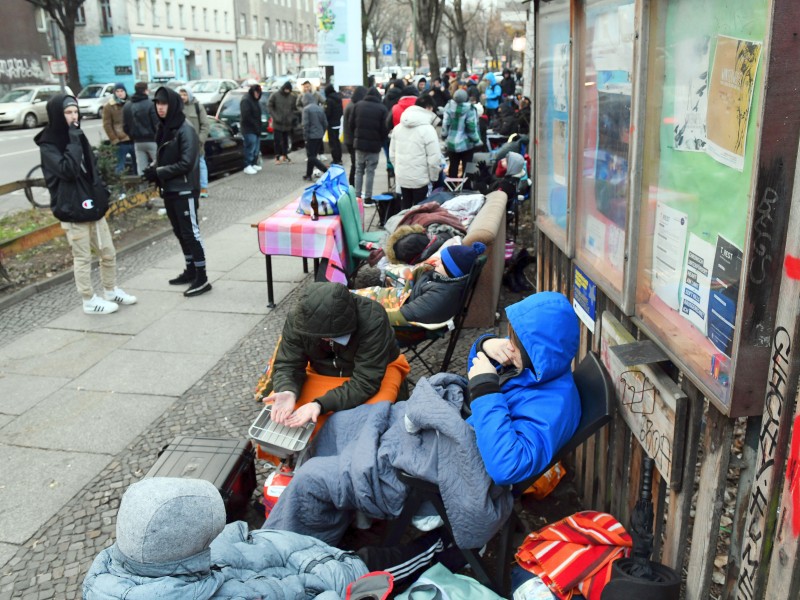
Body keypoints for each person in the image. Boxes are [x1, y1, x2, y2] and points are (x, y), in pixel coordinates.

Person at [82, 477, 450, 598]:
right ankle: (442, 550)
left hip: (289, 560)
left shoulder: (113, 573)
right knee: (374, 562)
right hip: (327, 577)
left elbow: (239, 534)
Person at [34, 94, 137, 314]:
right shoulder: (48, 145)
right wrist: (73, 138)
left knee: (107, 251)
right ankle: (88, 300)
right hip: (72, 208)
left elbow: (92, 167)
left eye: (75, 111)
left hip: (93, 204)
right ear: (57, 115)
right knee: (82, 257)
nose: (74, 117)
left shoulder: (78, 136)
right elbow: (68, 171)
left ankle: (110, 290)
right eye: (68, 113)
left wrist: (101, 191)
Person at [466, 291, 581, 485]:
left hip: (474, 465)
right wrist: (485, 347)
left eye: (514, 343)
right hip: (476, 427)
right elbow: (475, 372)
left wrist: (485, 389)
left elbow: (507, 467)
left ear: (536, 353)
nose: (509, 347)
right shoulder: (536, 366)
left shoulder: (553, 407)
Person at [265, 282, 405, 429]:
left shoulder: (373, 318)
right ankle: (290, 452)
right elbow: (287, 364)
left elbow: (366, 381)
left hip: (375, 373)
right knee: (279, 417)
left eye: (330, 337)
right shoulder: (299, 319)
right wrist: (288, 390)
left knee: (369, 420)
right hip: (321, 371)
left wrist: (320, 404)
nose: (323, 340)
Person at [144, 86, 210, 297]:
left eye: (163, 104)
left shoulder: (185, 128)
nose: (160, 108)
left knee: (191, 233)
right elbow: (164, 156)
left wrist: (159, 171)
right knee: (180, 233)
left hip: (185, 189)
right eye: (157, 104)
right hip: (171, 189)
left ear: (172, 105)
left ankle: (202, 277)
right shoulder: (165, 127)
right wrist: (154, 167)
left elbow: (187, 163)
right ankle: (190, 271)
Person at [386, 242, 486, 327]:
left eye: (441, 262)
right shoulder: (444, 280)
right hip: (405, 297)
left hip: (401, 322)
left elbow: (403, 314)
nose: (436, 263)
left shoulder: (441, 295)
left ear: (450, 271)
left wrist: (371, 316)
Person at [389, 95, 441, 210]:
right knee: (420, 212)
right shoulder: (428, 129)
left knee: (405, 210)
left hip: (402, 178)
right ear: (428, 108)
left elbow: (392, 155)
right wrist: (433, 178)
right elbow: (434, 159)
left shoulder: (398, 127)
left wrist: (399, 171)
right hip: (421, 180)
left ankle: (403, 227)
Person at [350, 87, 388, 204]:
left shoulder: (358, 105)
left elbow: (351, 124)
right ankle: (368, 197)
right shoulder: (382, 108)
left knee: (359, 170)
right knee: (370, 171)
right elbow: (384, 129)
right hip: (374, 146)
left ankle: (357, 196)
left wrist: (356, 136)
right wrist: (381, 141)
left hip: (360, 145)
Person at [177, 85, 210, 197]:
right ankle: (187, 187)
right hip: (182, 143)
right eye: (180, 94)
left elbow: (205, 124)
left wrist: (200, 139)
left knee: (200, 164)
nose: (182, 97)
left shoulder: (197, 106)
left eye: (185, 94)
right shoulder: (177, 107)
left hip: (196, 143)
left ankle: (204, 187)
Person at [442, 89, 482, 178]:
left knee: (453, 165)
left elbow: (445, 124)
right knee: (468, 166)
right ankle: (467, 186)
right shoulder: (470, 109)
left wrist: (444, 136)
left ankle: (452, 186)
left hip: (451, 142)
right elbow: (471, 128)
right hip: (466, 143)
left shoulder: (448, 106)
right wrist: (477, 141)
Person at [123, 81, 159, 176]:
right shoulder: (151, 104)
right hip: (152, 139)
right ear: (146, 90)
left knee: (141, 170)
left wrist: (132, 136)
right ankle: (161, 187)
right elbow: (157, 123)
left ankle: (144, 189)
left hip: (137, 141)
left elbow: (125, 126)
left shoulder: (127, 105)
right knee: (160, 165)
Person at [102, 82, 135, 174]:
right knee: (120, 166)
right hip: (120, 141)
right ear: (114, 93)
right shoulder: (109, 107)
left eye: (122, 91)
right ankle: (120, 186)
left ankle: (138, 187)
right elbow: (107, 124)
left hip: (133, 139)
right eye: (117, 91)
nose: (120, 93)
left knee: (137, 165)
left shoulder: (131, 103)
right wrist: (114, 139)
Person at [267, 80, 297, 164]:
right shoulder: (275, 95)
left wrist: (291, 117)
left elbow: (295, 108)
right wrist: (275, 116)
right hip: (277, 123)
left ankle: (285, 155)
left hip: (287, 123)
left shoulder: (292, 97)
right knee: (277, 141)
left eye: (289, 90)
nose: (287, 91)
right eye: (286, 89)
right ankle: (277, 157)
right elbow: (269, 106)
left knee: (286, 141)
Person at [301, 93, 329, 182]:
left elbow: (305, 125)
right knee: (312, 155)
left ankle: (326, 170)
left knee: (311, 156)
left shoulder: (306, 109)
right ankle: (308, 175)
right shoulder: (319, 109)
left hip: (311, 136)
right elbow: (325, 123)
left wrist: (305, 137)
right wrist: (322, 132)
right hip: (319, 135)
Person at [342, 85, 367, 185]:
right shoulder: (354, 106)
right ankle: (352, 185)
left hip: (349, 139)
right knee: (356, 164)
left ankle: (353, 184)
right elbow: (354, 124)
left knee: (355, 164)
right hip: (353, 140)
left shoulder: (351, 104)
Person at [240, 83, 263, 175]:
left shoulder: (255, 101)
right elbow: (246, 116)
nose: (257, 94)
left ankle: (253, 163)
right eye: (256, 92)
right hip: (248, 128)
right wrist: (255, 125)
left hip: (256, 128)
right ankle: (247, 165)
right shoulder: (246, 100)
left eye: (258, 93)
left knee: (255, 148)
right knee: (250, 146)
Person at [323, 83, 343, 165]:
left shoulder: (329, 100)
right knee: (337, 142)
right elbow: (341, 111)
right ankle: (339, 158)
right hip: (338, 123)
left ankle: (335, 159)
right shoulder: (338, 98)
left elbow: (327, 113)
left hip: (331, 124)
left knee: (333, 143)